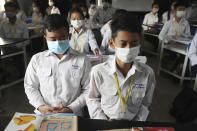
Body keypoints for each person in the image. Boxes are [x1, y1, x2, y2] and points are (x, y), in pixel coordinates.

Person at [86, 14, 156, 120]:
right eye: (123, 44)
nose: (129, 48)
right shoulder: (99, 71)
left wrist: (136, 124)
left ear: (140, 42)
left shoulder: (147, 73)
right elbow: (92, 99)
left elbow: (145, 103)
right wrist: (103, 122)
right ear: (112, 43)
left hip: (133, 123)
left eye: (134, 43)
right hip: (105, 122)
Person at [24, 14, 91, 116]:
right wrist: (40, 105)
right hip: (43, 113)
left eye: (62, 37)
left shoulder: (82, 60)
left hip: (72, 113)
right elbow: (30, 86)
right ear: (45, 38)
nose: (58, 42)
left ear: (69, 36)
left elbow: (88, 89)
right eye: (53, 39)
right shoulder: (37, 60)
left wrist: (71, 108)